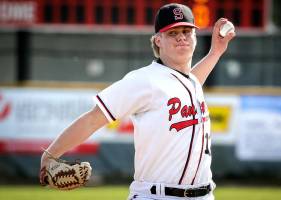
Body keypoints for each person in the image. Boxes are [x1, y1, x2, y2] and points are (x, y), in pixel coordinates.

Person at [40, 3, 235, 200]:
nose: (181, 37)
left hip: (204, 195)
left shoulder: (190, 82)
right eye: (172, 33)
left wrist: (215, 52)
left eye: (187, 31)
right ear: (158, 39)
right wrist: (49, 156)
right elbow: (93, 118)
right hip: (157, 195)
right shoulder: (144, 80)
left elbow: (187, 83)